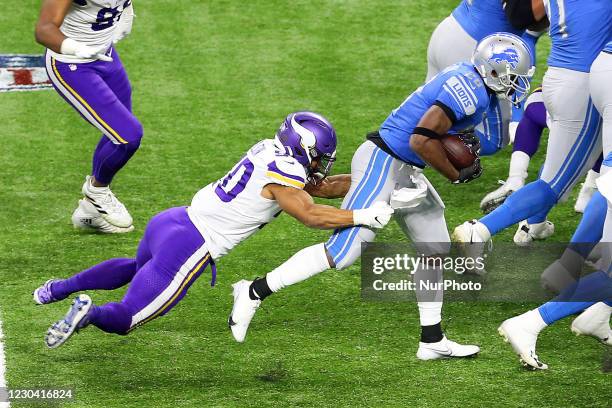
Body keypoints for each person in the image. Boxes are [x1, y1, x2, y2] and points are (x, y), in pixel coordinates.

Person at [229, 33, 534, 361]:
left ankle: (431, 340)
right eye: (514, 78)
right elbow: (420, 139)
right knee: (342, 253)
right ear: (493, 71)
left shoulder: (475, 85)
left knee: (435, 249)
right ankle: (253, 291)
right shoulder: (469, 89)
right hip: (386, 161)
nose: (517, 85)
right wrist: (455, 173)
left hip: (405, 169)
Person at [34, 112, 395, 348]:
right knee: (128, 318)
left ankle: (58, 289)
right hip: (193, 244)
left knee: (134, 266)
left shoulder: (270, 151)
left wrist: (373, 182)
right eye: (317, 157)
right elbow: (311, 214)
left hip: (173, 221)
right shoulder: (286, 175)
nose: (319, 164)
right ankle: (89, 313)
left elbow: (317, 187)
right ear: (303, 148)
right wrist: (361, 217)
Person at [454, 1, 612, 266]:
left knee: (558, 173)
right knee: (570, 183)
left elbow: (523, 15)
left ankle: (530, 226)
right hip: (583, 83)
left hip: (560, 74)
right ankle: (482, 231)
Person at [36, 0, 139, 233]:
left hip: (105, 55)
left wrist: (127, 9)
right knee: (127, 136)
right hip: (72, 65)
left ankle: (89, 214)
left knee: (118, 129)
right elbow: (44, 29)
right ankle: (97, 191)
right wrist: (76, 48)